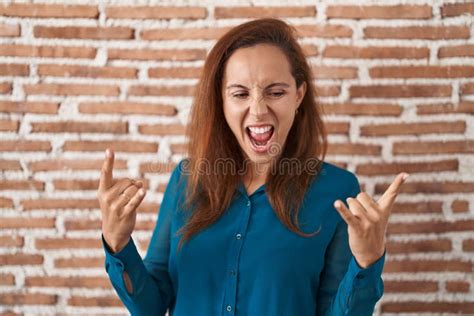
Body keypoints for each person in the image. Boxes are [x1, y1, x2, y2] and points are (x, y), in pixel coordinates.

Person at [98, 18, 409, 316]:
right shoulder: (186, 180)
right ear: (221, 100)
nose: (258, 110)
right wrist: (118, 244)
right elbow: (149, 307)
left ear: (298, 95)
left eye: (276, 92)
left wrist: (367, 262)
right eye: (240, 94)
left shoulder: (337, 191)